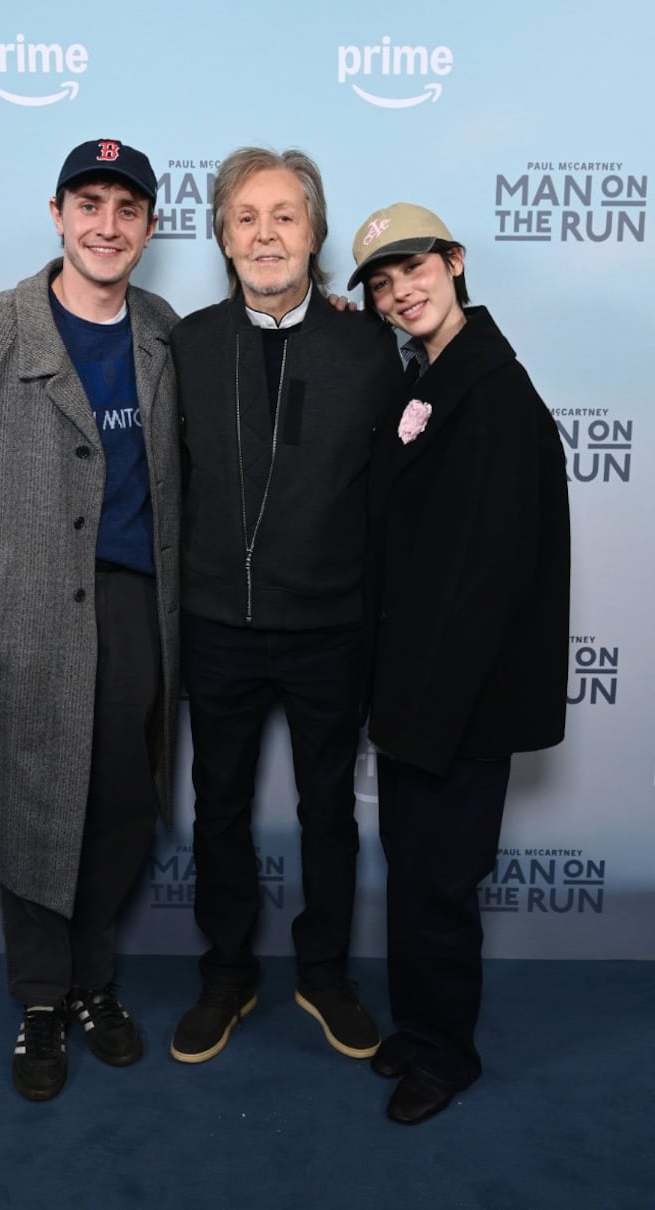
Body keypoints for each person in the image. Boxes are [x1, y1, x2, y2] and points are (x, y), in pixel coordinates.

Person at [0, 138, 180, 1102]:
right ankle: (40, 1001)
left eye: (127, 209)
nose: (108, 225)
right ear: (57, 213)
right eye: (89, 203)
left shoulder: (166, 334)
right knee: (31, 810)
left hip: (136, 609)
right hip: (25, 616)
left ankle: (95, 985)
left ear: (149, 226)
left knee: (118, 811)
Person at [169, 147, 404, 1065]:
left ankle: (325, 973)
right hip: (217, 626)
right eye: (246, 218)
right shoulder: (186, 343)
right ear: (224, 238)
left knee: (327, 814)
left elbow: (391, 496)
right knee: (217, 808)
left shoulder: (365, 345)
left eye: (285, 217)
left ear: (314, 235)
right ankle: (226, 976)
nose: (266, 234)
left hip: (331, 629)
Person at [346, 203, 570, 1124]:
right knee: (411, 868)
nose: (402, 292)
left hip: (460, 700)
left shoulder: (494, 394)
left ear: (455, 261)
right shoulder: (433, 379)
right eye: (383, 283)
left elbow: (486, 581)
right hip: (414, 687)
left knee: (440, 878)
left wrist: (427, 719)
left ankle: (450, 1055)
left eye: (414, 269)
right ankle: (422, 1024)